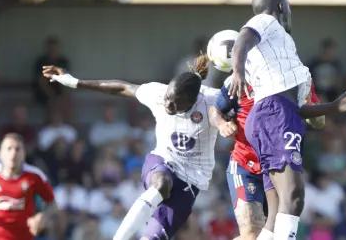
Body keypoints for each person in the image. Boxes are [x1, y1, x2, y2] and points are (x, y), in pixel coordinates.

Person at [228, 0, 346, 238]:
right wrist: (237, 70)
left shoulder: (280, 50)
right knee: (294, 196)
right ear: (281, 6)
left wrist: (334, 107)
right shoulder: (267, 20)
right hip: (275, 114)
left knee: (276, 210)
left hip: (277, 115)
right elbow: (244, 37)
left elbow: (298, 108)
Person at [42, 54, 221, 240]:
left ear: (191, 103)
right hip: (162, 162)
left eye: (175, 103)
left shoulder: (213, 100)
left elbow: (245, 107)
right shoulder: (158, 93)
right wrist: (75, 82)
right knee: (161, 184)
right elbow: (121, 87)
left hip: (190, 181)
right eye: (168, 97)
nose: (167, 103)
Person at [0, 133, 56, 240]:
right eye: (9, 149)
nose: (13, 153)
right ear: (0, 153)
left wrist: (42, 217)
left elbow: (52, 204)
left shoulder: (35, 176)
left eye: (17, 149)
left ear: (24, 153)